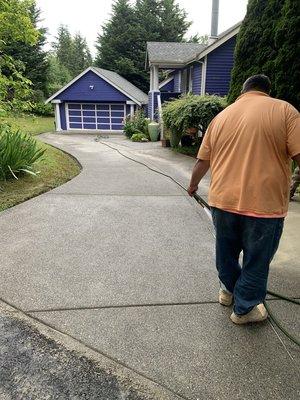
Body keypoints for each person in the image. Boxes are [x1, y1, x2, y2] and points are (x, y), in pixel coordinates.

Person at [188, 75, 300, 324]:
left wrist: (193, 184)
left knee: (226, 253)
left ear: (243, 90)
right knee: (257, 259)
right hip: (264, 205)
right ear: (267, 90)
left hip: (223, 201)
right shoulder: (285, 111)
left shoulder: (221, 117)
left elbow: (202, 160)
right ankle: (246, 308)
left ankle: (228, 291)